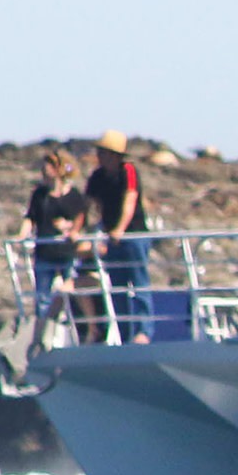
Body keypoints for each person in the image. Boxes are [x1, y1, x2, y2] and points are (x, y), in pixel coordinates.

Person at [84, 129, 152, 342]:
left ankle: (143, 332)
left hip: (134, 236)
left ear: (115, 155)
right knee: (118, 287)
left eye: (105, 153)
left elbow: (130, 200)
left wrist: (120, 229)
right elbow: (89, 205)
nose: (101, 157)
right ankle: (125, 334)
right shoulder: (97, 176)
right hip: (112, 238)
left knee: (139, 282)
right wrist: (92, 231)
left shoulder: (128, 171)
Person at [19, 148, 92, 337]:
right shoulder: (40, 194)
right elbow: (31, 217)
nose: (45, 170)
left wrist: (72, 230)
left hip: (67, 253)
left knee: (72, 294)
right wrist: (22, 235)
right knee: (42, 298)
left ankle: (81, 332)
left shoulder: (72, 195)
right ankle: (41, 336)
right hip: (45, 254)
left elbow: (80, 215)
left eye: (49, 166)